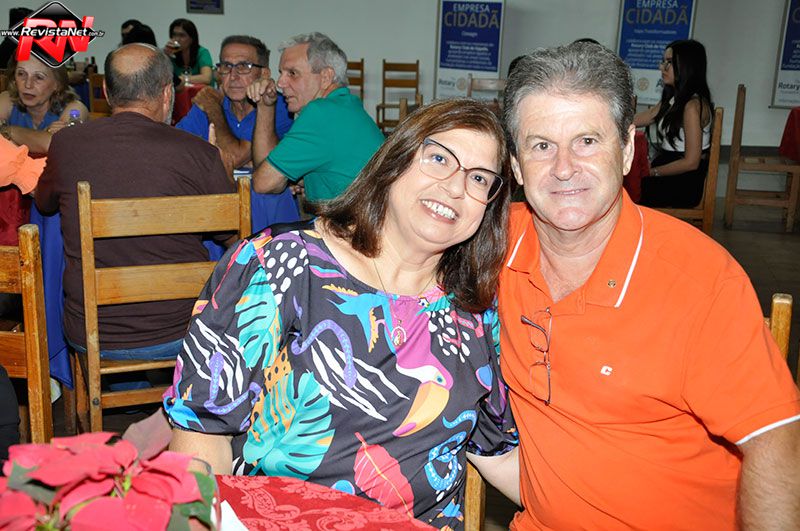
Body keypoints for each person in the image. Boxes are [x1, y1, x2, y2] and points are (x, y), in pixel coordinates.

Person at [166, 98, 519, 530]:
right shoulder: (280, 266)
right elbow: (200, 436)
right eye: (439, 158)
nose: (454, 187)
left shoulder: (476, 310)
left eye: (479, 178)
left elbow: (498, 452)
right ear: (396, 160)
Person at [498, 42, 800, 530]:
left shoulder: (699, 279)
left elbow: (775, 439)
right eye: (541, 146)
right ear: (515, 165)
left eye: (587, 141)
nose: (563, 167)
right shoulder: (489, 246)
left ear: (627, 152)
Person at [34, 43, 232, 366]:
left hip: (92, 334)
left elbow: (44, 205)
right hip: (182, 331)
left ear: (106, 92)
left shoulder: (66, 143)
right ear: (167, 94)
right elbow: (233, 236)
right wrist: (223, 173)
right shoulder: (200, 153)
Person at [176, 35, 299, 232]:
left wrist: (214, 116)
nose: (233, 76)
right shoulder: (206, 105)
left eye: (243, 66)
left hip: (271, 222)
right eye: (226, 66)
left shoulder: (282, 108)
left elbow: (235, 157)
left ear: (264, 73)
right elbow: (178, 153)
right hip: (215, 218)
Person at [248, 31, 384, 208]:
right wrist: (266, 105)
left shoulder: (321, 113)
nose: (280, 83)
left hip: (353, 224)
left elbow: (262, 183)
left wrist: (282, 179)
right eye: (281, 73)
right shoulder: (345, 106)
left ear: (326, 77)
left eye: (292, 73)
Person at [634, 39, 713, 207]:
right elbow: (649, 115)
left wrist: (652, 172)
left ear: (686, 66)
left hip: (683, 181)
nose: (661, 67)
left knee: (628, 187)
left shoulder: (692, 106)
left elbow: (691, 162)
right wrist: (611, 120)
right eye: (663, 61)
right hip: (669, 169)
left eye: (669, 62)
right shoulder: (675, 97)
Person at [0, 56, 88, 153]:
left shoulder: (75, 109)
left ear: (57, 84)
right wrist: (41, 136)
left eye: (39, 77)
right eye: (21, 74)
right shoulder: (7, 100)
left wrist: (10, 131)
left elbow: (53, 144)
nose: (28, 85)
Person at [164, 18, 213, 86]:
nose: (177, 39)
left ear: (192, 38)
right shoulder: (169, 53)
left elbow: (206, 78)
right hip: (179, 91)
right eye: (174, 35)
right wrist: (165, 57)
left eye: (182, 35)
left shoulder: (202, 52)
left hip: (201, 91)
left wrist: (181, 79)